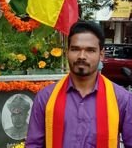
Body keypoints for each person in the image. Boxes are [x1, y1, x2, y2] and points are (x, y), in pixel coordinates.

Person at [26, 20, 132, 148]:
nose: (82, 56)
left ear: (101, 55)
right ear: (67, 52)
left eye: (90, 50)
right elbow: (34, 144)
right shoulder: (46, 97)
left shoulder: (122, 99)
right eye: (75, 49)